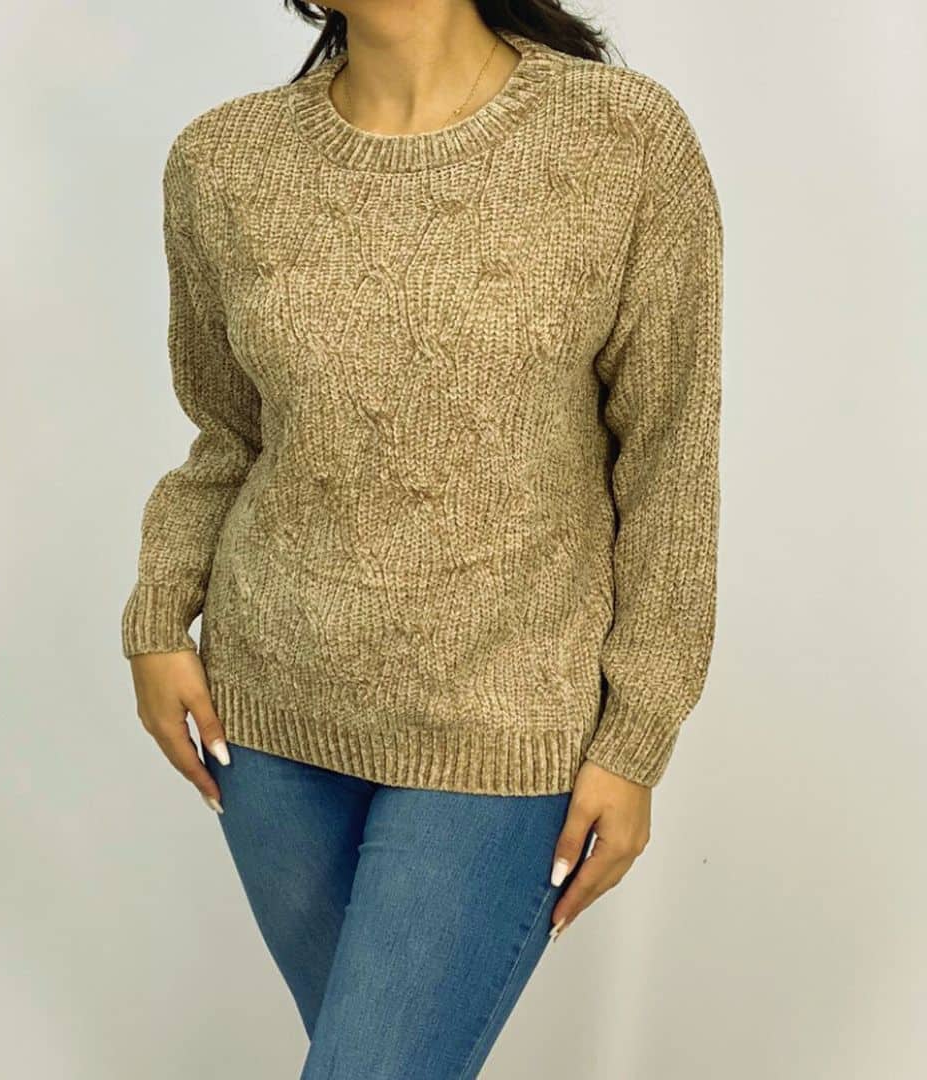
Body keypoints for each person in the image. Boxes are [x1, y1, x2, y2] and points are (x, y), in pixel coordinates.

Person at [122, 1, 723, 1075]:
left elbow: (669, 459)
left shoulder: (623, 139)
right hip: (269, 723)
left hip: (506, 723)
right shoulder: (223, 161)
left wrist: (637, 736)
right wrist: (158, 619)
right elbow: (229, 433)